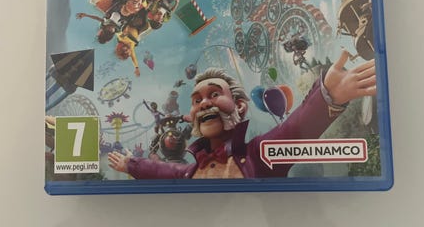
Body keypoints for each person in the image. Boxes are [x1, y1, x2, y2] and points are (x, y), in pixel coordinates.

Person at [108, 50, 376, 179]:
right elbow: (162, 170)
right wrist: (130, 164)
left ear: (239, 107)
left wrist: (329, 94)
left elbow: (295, 129)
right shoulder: (191, 171)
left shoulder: (258, 154)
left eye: (214, 94)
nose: (204, 104)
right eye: (197, 100)